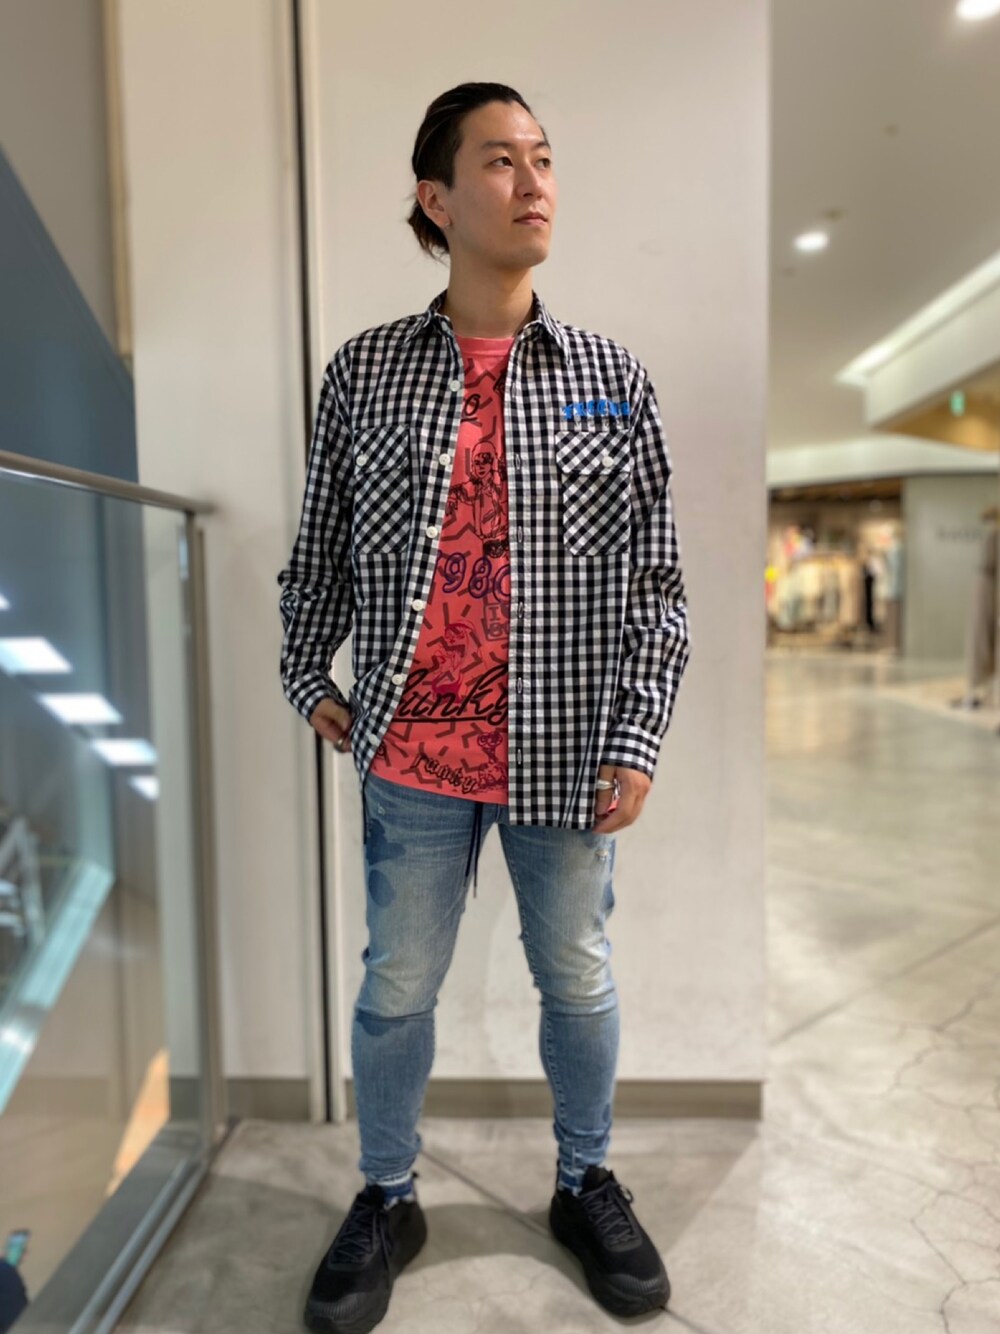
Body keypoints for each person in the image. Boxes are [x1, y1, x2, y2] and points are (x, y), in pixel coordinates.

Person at [277, 81, 691, 1334]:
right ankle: (387, 1194)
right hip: (410, 749)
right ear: (438, 197)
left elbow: (657, 582)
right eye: (502, 160)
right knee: (397, 982)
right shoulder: (365, 372)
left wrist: (635, 736)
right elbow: (320, 548)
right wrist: (309, 676)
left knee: (577, 974)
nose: (534, 182)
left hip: (564, 752)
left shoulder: (610, 377)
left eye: (544, 158)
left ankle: (584, 1179)